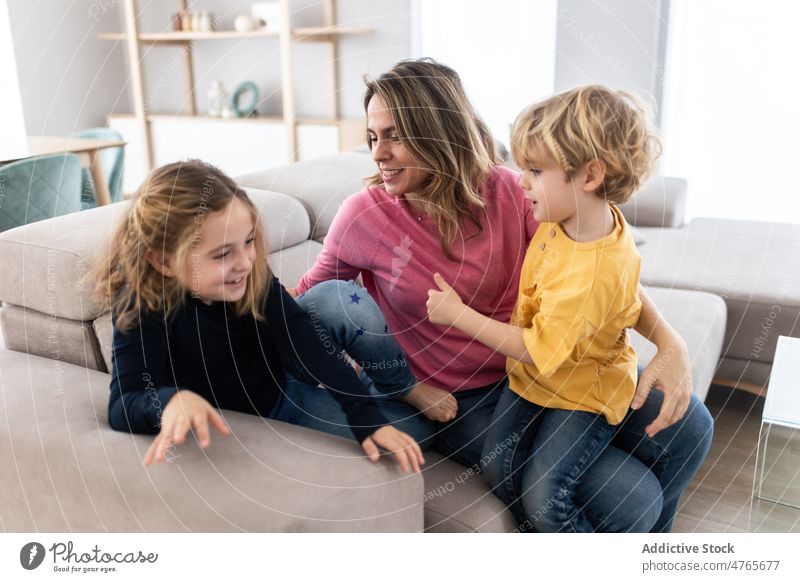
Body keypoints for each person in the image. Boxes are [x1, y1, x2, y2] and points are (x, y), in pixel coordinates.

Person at [286, 58, 713, 532]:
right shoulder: (363, 216)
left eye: (394, 136)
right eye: (372, 137)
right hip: (467, 400)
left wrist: (670, 342)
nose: (378, 154)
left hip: (549, 362)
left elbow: (596, 273)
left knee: (692, 426)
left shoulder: (515, 193)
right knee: (631, 500)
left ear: (440, 131)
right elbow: (309, 305)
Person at [426, 85, 660, 531]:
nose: (521, 181)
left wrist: (458, 315)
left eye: (534, 170)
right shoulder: (567, 217)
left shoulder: (591, 272)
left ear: (589, 176)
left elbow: (536, 348)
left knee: (545, 492)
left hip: (581, 392)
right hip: (534, 381)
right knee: (496, 467)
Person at [94, 159, 424, 473]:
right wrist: (170, 401)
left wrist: (362, 411)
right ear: (163, 262)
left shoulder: (247, 271)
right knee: (418, 434)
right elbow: (124, 402)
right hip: (267, 409)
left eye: (249, 241)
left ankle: (384, 384)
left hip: (281, 376)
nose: (245, 262)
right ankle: (363, 384)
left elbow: (300, 332)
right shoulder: (140, 305)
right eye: (222, 254)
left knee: (336, 302)